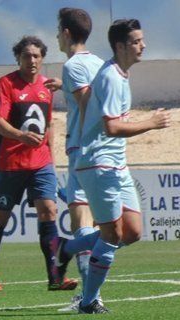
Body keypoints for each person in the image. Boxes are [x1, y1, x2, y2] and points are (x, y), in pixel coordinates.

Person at [55, 19, 171, 314]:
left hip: (116, 164)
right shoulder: (109, 76)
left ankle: (68, 247)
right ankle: (89, 301)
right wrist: (151, 123)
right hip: (97, 163)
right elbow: (111, 127)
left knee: (132, 232)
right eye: (136, 42)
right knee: (112, 235)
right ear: (120, 46)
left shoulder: (120, 74)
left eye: (142, 40)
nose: (142, 46)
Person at [0, 36, 77, 293]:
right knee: (1, 218)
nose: (32, 60)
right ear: (18, 58)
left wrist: (52, 157)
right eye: (26, 56)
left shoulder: (47, 87)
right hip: (10, 163)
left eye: (36, 56)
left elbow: (50, 123)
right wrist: (21, 136)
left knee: (48, 210)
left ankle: (55, 277)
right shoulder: (6, 84)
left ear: (42, 58)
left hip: (41, 163)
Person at [46, 7, 105, 311]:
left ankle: (88, 296)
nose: (56, 36)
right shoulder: (99, 63)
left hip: (82, 150)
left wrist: (85, 144)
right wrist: (64, 87)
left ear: (67, 33)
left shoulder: (73, 66)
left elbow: (86, 106)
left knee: (82, 219)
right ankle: (90, 295)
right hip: (106, 150)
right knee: (104, 223)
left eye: (58, 30)